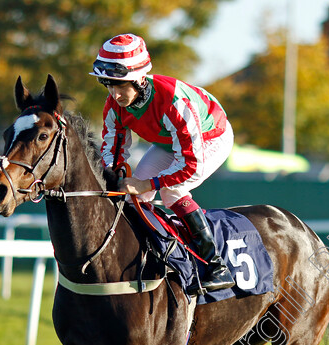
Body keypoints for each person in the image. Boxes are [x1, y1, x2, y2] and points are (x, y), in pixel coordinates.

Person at [90, 33, 236, 295]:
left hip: (211, 137)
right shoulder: (114, 104)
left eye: (120, 84)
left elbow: (189, 164)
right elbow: (112, 145)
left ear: (138, 78)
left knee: (171, 191)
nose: (114, 93)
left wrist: (147, 182)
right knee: (136, 196)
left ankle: (216, 266)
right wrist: (115, 171)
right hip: (170, 142)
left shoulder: (173, 103)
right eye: (108, 84)